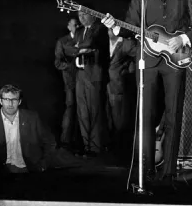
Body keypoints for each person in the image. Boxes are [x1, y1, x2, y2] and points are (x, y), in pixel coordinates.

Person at [102, 0, 192, 186]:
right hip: (147, 59)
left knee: (173, 114)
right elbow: (130, 25)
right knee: (145, 115)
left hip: (175, 59)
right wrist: (115, 27)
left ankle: (169, 171)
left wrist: (184, 38)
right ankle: (146, 169)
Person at [0, 84, 57, 174]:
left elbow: (50, 142)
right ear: (0, 101)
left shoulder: (33, 118)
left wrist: (43, 164)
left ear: (19, 101)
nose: (10, 104)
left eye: (14, 100)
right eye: (6, 99)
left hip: (29, 169)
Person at [63, 10, 109, 157]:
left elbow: (90, 43)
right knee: (82, 112)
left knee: (94, 111)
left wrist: (80, 47)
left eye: (84, 14)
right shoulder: (80, 31)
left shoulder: (99, 28)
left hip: (94, 73)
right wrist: (81, 48)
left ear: (93, 15)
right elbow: (68, 49)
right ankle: (86, 146)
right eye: (79, 15)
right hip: (80, 74)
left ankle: (95, 148)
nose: (81, 18)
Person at [106, 28, 137, 162]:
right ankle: (112, 151)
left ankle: (122, 154)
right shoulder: (105, 43)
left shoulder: (125, 43)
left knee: (120, 121)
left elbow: (139, 56)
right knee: (109, 120)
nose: (109, 32)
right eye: (108, 30)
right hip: (106, 86)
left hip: (119, 86)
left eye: (112, 29)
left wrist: (129, 70)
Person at [54, 16, 80, 150]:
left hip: (83, 80)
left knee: (82, 111)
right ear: (68, 26)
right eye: (74, 25)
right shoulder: (62, 41)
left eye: (78, 25)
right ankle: (65, 141)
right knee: (70, 108)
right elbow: (57, 63)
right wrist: (70, 66)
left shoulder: (83, 39)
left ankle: (78, 142)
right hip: (69, 80)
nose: (76, 28)